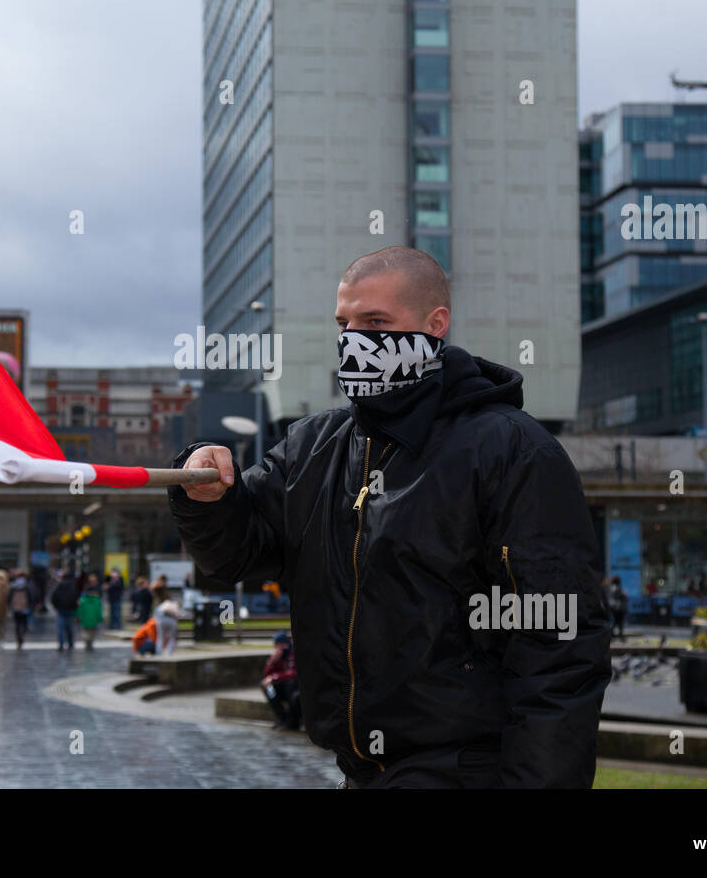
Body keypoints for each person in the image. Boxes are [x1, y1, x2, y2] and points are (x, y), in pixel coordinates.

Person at [168, 247, 609, 789]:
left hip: (467, 771)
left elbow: (559, 644)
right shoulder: (314, 447)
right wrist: (205, 493)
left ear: (435, 325)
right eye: (344, 323)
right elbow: (235, 555)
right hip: (359, 771)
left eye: (377, 323)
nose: (356, 340)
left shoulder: (511, 451)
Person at [262, 632, 302, 730]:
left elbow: (294, 673)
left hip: (294, 687)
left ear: (285, 644)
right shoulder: (279, 656)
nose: (277, 648)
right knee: (268, 688)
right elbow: (266, 674)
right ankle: (282, 718)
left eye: (278, 645)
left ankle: (292, 721)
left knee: (291, 685)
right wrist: (272, 661)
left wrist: (275, 677)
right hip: (283, 687)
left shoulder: (293, 653)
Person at [50, 567, 79, 651]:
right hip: (70, 609)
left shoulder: (60, 586)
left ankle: (61, 644)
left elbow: (53, 597)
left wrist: (56, 607)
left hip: (61, 609)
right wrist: (74, 607)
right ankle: (71, 643)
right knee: (70, 627)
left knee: (61, 628)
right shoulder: (73, 586)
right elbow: (76, 598)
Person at [77, 574, 104, 650]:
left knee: (85, 631)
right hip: (93, 619)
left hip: (85, 619)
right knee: (92, 631)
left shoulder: (83, 600)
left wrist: (78, 616)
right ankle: (90, 642)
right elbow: (99, 610)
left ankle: (87, 641)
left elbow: (80, 609)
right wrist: (100, 618)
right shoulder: (97, 600)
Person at [152, 585, 181, 656]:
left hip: (161, 621)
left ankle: (158, 652)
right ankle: (169, 652)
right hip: (172, 621)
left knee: (160, 637)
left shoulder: (159, 605)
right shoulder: (172, 604)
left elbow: (155, 615)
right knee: (171, 637)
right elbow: (178, 614)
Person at [8, 568, 34, 649]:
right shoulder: (27, 585)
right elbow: (31, 596)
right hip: (25, 607)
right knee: (24, 623)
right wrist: (31, 606)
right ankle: (22, 635)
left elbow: (9, 597)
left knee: (17, 624)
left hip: (15, 608)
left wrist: (10, 606)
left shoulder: (13, 585)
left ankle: (18, 639)